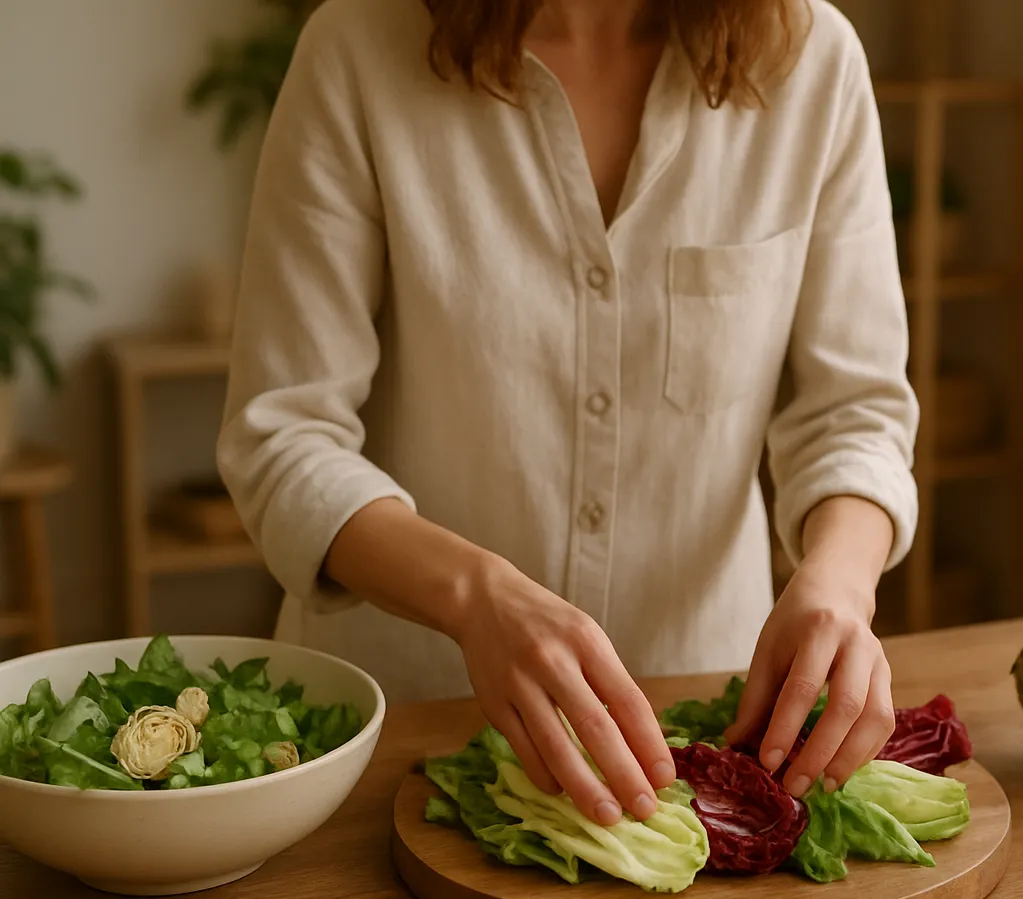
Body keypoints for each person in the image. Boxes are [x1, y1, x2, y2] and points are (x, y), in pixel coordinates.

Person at [217, 0, 918, 828]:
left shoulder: (814, 60)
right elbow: (283, 436)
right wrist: (476, 599)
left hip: (701, 736)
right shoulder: (357, 50)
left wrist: (839, 582)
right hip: (407, 733)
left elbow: (855, 412)